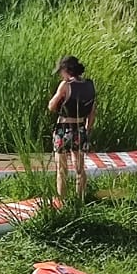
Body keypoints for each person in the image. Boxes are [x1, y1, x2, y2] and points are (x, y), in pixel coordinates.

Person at [47, 55, 97, 198]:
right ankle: (80, 198)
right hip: (80, 127)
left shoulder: (65, 85)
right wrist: (87, 129)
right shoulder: (89, 85)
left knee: (61, 169)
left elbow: (51, 106)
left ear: (66, 70)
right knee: (80, 168)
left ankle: (62, 201)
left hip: (63, 128)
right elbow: (92, 112)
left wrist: (59, 96)